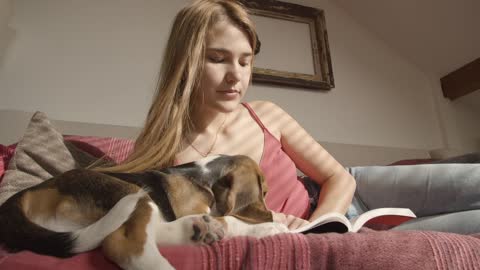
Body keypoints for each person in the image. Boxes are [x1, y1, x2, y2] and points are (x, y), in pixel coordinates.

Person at [100, 0, 480, 234]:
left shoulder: (266, 114)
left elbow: (337, 177)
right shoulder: (172, 160)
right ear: (185, 64)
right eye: (217, 59)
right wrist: (322, 235)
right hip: (331, 234)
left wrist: (324, 220)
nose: (236, 76)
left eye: (245, 61)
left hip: (354, 192)